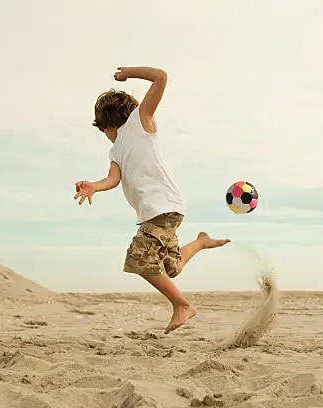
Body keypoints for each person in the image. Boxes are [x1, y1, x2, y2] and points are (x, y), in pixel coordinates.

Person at [74, 66, 230, 334]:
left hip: (163, 207)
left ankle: (182, 305)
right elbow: (113, 179)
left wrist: (129, 74)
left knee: (139, 260)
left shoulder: (140, 121)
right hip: (158, 212)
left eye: (103, 130)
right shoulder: (115, 151)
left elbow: (161, 77)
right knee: (172, 267)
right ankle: (202, 241)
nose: (105, 136)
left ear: (107, 124)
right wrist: (93, 187)